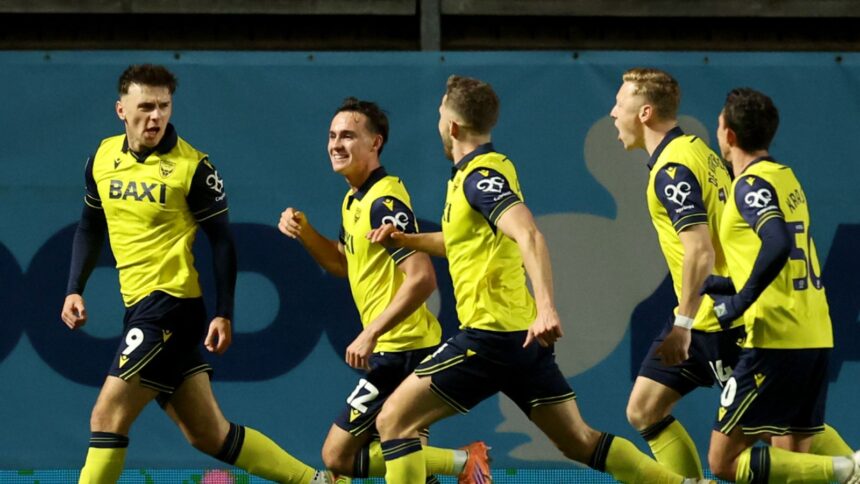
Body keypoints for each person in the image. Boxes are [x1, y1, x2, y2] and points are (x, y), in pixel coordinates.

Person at [368, 75, 712, 484]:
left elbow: (529, 233)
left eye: (441, 115)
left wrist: (546, 308)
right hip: (520, 341)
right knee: (579, 441)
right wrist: (407, 240)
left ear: (453, 127)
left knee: (393, 421)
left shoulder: (480, 179)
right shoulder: (481, 172)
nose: (439, 122)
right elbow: (460, 241)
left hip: (490, 337)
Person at [60, 64, 331, 484]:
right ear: (121, 110)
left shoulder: (193, 167)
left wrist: (224, 312)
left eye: (163, 106)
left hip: (170, 307)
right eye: (145, 107)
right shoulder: (102, 157)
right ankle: (318, 481)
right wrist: (74, 289)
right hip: (139, 308)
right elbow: (90, 225)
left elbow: (222, 241)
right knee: (209, 435)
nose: (156, 116)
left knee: (106, 416)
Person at [610, 68, 854, 479]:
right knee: (644, 409)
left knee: (774, 434)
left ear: (645, 113)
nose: (614, 112)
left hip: (712, 320)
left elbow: (701, 249)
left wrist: (685, 323)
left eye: (620, 103)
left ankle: (851, 468)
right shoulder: (699, 151)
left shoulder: (672, 171)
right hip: (710, 306)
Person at [277, 97, 488, 484]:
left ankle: (463, 461)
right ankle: (460, 464)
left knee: (337, 455)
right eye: (332, 136)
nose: (336, 144)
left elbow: (422, 278)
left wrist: (371, 332)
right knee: (408, 465)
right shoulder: (353, 199)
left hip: (405, 351)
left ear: (375, 143)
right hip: (397, 349)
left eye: (348, 136)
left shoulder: (384, 202)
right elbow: (343, 263)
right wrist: (305, 232)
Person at [703, 87, 860, 483]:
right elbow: (783, 256)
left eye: (719, 125)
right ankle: (846, 470)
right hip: (814, 332)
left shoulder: (749, 185)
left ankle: (849, 469)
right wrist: (725, 284)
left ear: (729, 136)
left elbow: (777, 242)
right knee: (793, 467)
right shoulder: (785, 178)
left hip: (775, 338)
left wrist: (739, 302)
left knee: (722, 461)